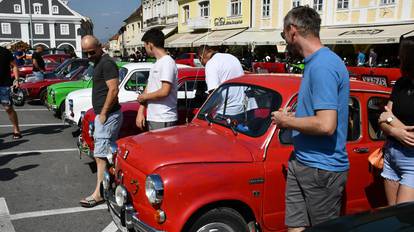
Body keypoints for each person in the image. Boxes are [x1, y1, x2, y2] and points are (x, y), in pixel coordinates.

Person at [271, 6, 350, 231]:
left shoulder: (323, 65)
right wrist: (295, 117)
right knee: (295, 227)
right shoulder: (315, 63)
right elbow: (318, 115)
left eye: (283, 35)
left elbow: (326, 125)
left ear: (292, 31)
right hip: (304, 160)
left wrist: (286, 122)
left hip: (321, 168)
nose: (284, 40)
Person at [79, 35, 122, 208]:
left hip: (108, 115)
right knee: (104, 155)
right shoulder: (98, 62)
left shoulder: (107, 63)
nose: (89, 56)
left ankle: (99, 194)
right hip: (104, 115)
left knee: (101, 156)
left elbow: (113, 89)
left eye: (91, 52)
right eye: (86, 53)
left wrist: (103, 113)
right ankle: (109, 187)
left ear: (99, 47)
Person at [378, 36, 414, 206]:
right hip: (391, 156)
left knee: (404, 218)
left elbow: (411, 138)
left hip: (411, 162)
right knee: (392, 217)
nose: (398, 58)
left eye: (401, 55)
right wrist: (394, 131)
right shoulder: (400, 84)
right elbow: (382, 120)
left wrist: (391, 121)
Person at [135, 29, 178, 131]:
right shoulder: (157, 63)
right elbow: (149, 87)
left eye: (144, 46)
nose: (144, 49)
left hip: (164, 117)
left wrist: (144, 97)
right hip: (155, 117)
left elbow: (164, 91)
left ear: (150, 44)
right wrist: (140, 111)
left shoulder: (167, 62)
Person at [0, 46, 22, 139]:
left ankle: (16, 129)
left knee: (8, 108)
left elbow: (14, 66)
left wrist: (16, 80)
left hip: (4, 85)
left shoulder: (4, 51)